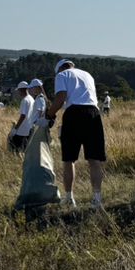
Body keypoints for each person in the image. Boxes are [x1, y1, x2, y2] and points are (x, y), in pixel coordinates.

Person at [48, 58, 106, 209]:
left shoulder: (62, 75)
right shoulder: (87, 75)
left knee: (69, 159)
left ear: (60, 69)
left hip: (74, 113)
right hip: (94, 113)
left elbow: (60, 99)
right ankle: (97, 199)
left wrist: (49, 115)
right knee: (94, 159)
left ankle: (69, 197)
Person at [8, 80, 35, 154]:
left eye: (19, 90)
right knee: (25, 149)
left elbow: (23, 115)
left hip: (22, 130)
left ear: (21, 90)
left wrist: (15, 128)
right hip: (30, 128)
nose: (18, 92)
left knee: (16, 148)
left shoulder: (24, 100)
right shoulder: (31, 99)